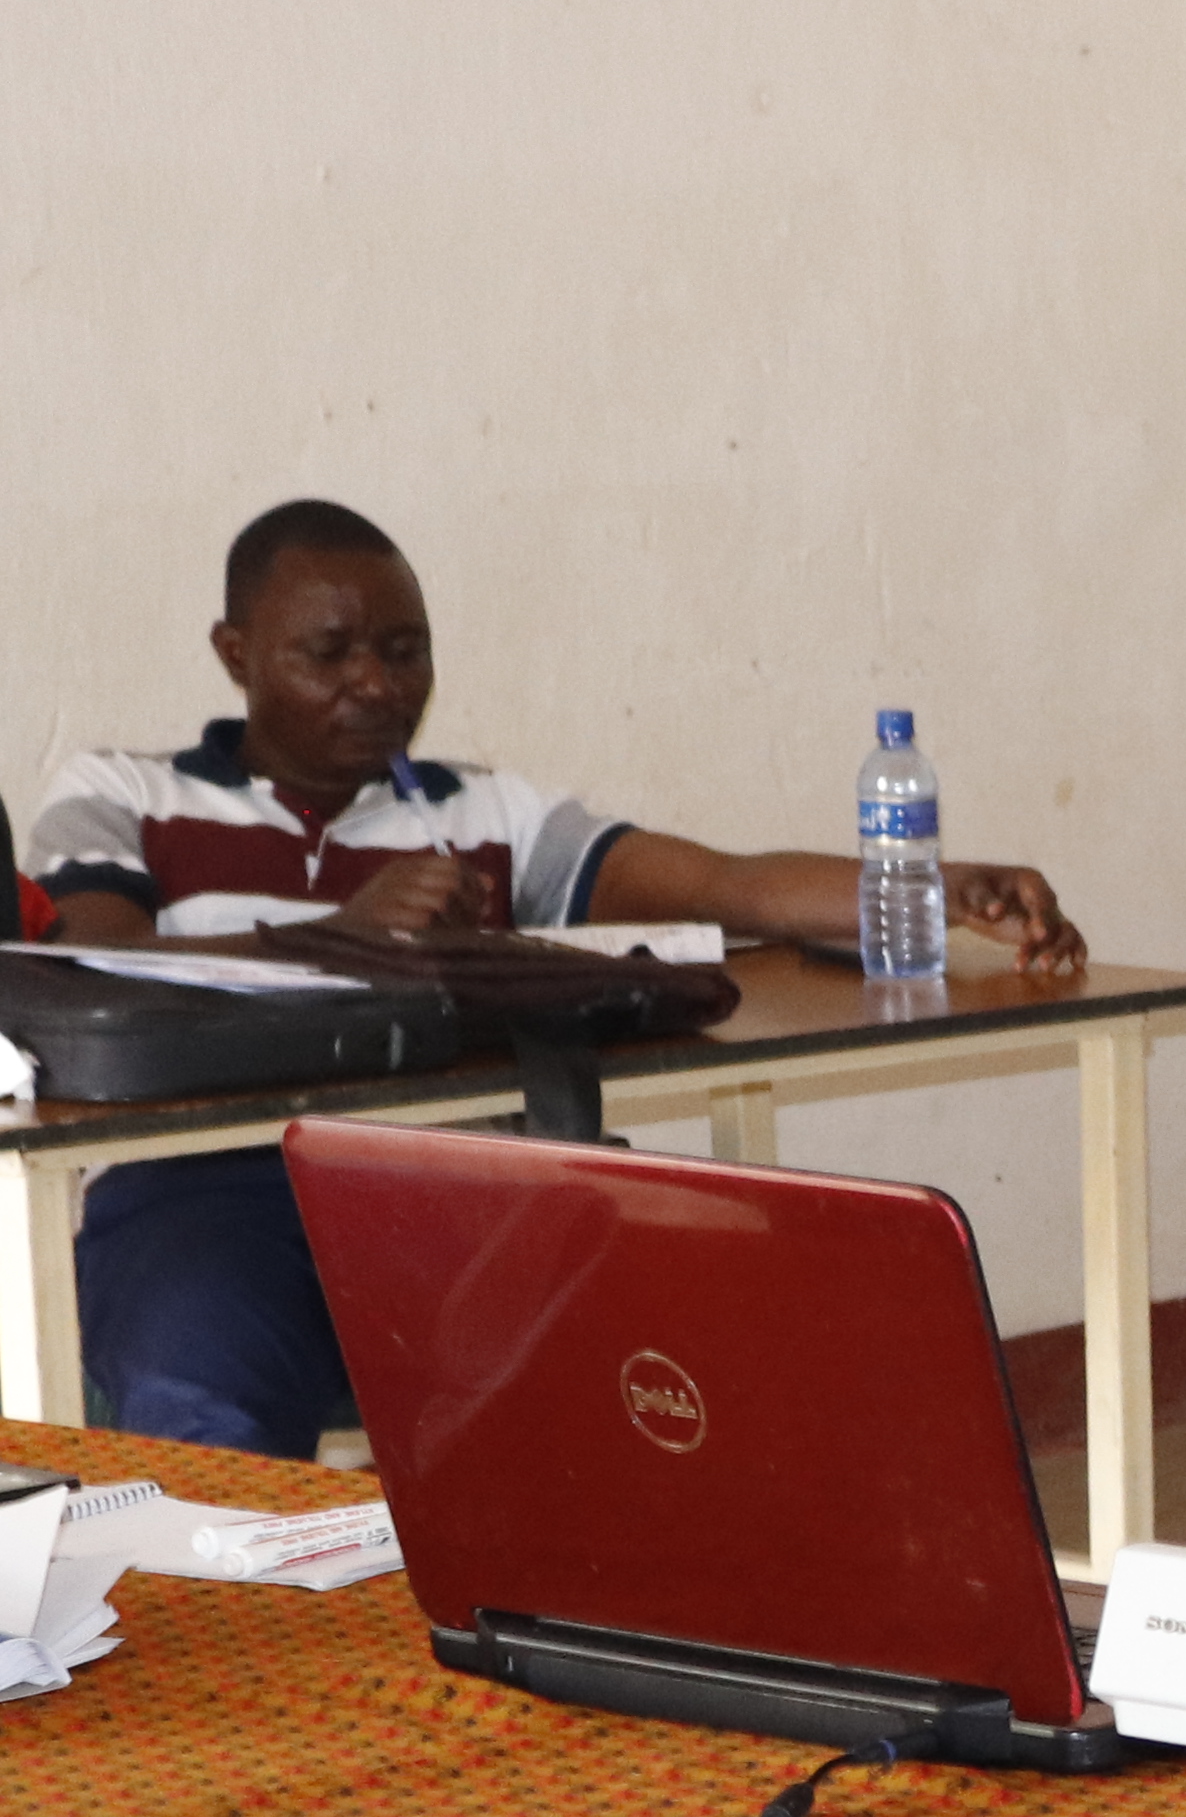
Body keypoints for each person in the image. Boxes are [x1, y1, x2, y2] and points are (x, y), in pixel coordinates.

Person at [33, 497, 1089, 1460]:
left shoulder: (490, 816)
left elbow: (722, 884)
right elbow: (96, 965)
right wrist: (344, 938)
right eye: (332, 653)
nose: (378, 685)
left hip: (456, 1193)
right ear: (236, 653)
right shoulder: (124, 791)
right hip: (204, 1195)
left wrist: (926, 885)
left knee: (650, 1361)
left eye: (406, 653)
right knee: (206, 1415)